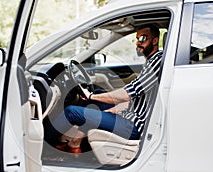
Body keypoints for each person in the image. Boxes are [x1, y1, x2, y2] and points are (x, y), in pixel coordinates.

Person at [49, 24, 163, 155]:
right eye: (136, 39)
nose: (138, 43)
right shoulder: (151, 61)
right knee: (97, 95)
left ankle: (47, 148)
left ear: (155, 41)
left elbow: (128, 94)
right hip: (131, 114)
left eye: (143, 38)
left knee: (71, 112)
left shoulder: (157, 62)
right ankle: (75, 144)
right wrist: (111, 109)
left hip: (134, 125)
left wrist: (91, 96)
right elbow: (135, 99)